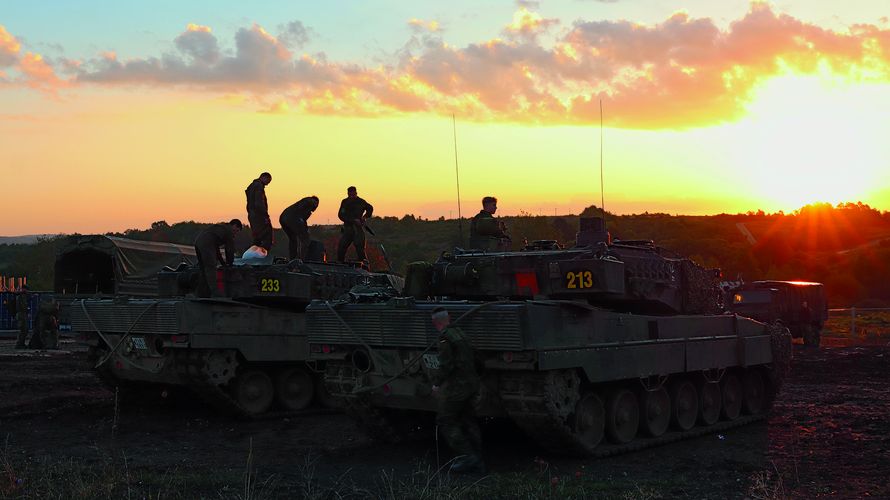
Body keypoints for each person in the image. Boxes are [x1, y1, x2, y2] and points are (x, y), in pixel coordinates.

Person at [430, 307, 485, 474]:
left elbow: (446, 364)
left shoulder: (445, 338)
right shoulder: (460, 333)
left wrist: (437, 383)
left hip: (458, 387)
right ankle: (478, 459)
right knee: (467, 418)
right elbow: (477, 358)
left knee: (446, 419)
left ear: (435, 323)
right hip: (471, 384)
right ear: (449, 318)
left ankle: (467, 456)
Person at [194, 219, 242, 297]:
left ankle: (202, 292)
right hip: (206, 243)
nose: (235, 234)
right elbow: (229, 250)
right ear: (234, 225)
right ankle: (215, 293)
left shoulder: (220, 229)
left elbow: (216, 250)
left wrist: (223, 263)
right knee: (211, 267)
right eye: (237, 231)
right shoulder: (228, 231)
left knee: (203, 270)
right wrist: (230, 264)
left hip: (198, 242)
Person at [336, 186, 373, 263]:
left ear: (356, 193)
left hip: (358, 229)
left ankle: (365, 267)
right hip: (348, 229)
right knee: (341, 248)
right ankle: (340, 264)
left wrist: (364, 217)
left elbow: (370, 208)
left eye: (353, 195)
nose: (351, 197)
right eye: (349, 195)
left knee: (360, 249)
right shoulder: (345, 202)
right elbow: (341, 215)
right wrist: (352, 220)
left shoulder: (361, 201)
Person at [279, 196, 319, 261]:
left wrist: (304, 226)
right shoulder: (310, 201)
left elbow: (303, 219)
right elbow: (301, 216)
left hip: (283, 218)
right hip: (293, 218)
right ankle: (302, 260)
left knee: (293, 239)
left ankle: (293, 259)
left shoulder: (304, 206)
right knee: (305, 240)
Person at [245, 172, 273, 250]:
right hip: (259, 216)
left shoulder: (251, 186)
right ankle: (263, 254)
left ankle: (253, 254)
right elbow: (259, 203)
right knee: (267, 235)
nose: (267, 184)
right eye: (268, 181)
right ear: (263, 177)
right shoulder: (259, 186)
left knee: (257, 236)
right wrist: (265, 216)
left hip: (252, 215)